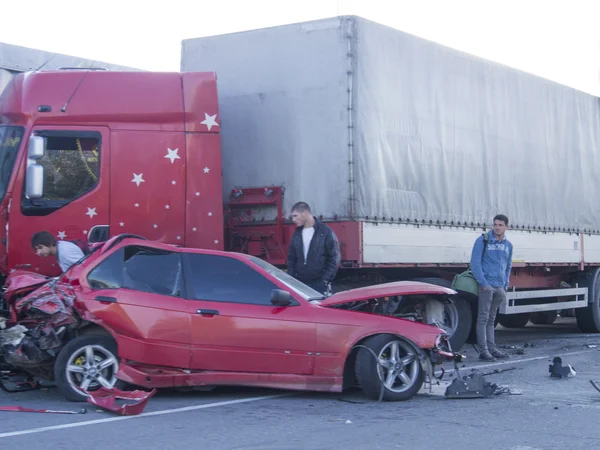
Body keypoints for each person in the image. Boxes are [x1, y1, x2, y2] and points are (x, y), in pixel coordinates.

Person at [470, 214, 513, 361]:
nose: (497, 227)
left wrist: (505, 285)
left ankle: (492, 348)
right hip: (486, 286)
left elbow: (508, 266)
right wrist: (484, 284)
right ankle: (484, 351)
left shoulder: (508, 245)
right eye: (495, 224)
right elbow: (475, 264)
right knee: (483, 318)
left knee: (492, 319)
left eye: (501, 225)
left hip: (499, 287)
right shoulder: (483, 240)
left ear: (506, 227)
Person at [287, 201, 341, 295]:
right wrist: (292, 279)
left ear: (305, 212)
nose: (293, 219)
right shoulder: (297, 234)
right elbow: (291, 258)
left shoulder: (325, 232)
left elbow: (334, 257)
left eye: (296, 216)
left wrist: (325, 280)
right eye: (292, 217)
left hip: (319, 284)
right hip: (299, 283)